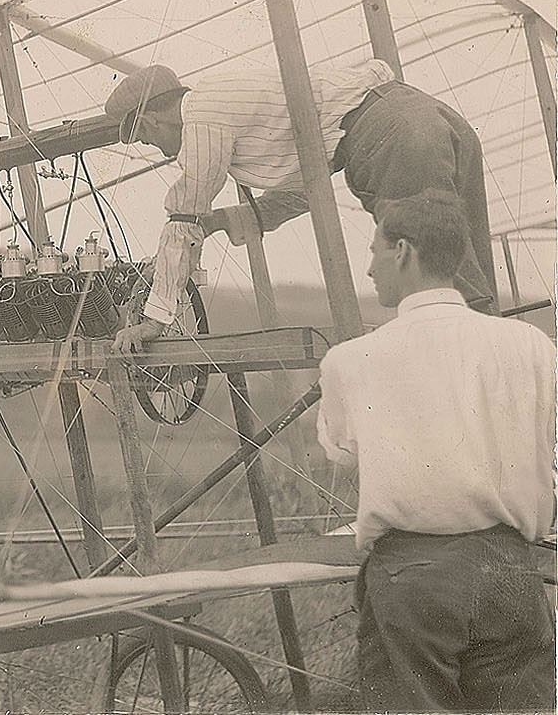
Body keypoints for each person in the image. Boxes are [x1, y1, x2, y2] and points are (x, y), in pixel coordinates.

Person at [315, 190, 556, 713]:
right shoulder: (532, 345)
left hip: (413, 578)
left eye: (375, 250)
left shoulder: (350, 360)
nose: (370, 267)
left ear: (403, 251)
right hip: (510, 570)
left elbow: (341, 450)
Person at [107, 58, 499, 354]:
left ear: (149, 122)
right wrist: (226, 220)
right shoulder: (227, 98)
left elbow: (184, 214)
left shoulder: (202, 118)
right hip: (426, 117)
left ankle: (473, 388)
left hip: (395, 140)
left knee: (432, 286)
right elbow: (307, 187)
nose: (160, 150)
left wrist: (156, 317)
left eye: (146, 139)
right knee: (468, 280)